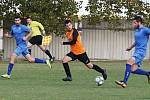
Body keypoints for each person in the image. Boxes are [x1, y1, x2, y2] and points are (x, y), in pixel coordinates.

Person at [115, 16, 150, 88]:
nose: (133, 25)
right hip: (136, 51)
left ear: (139, 22)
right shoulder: (137, 31)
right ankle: (148, 73)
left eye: (134, 23)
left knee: (129, 62)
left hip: (141, 52)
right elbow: (137, 41)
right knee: (133, 70)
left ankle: (124, 82)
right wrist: (130, 47)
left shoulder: (145, 30)